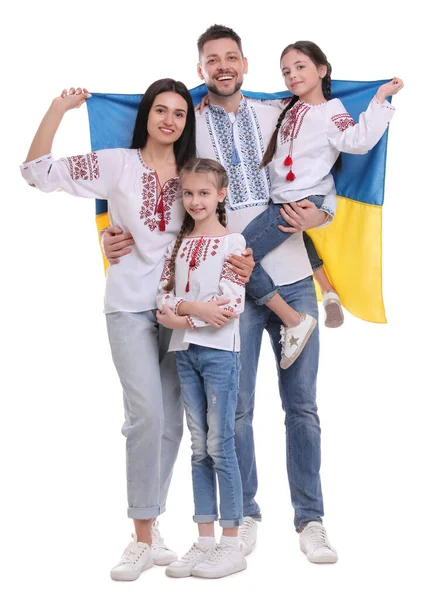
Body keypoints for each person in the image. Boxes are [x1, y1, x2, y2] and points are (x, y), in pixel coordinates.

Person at [102, 25, 340, 563]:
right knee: (234, 412)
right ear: (201, 67)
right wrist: (112, 229)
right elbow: (151, 179)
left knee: (302, 406)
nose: (223, 66)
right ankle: (244, 515)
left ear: (246, 64)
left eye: (232, 57)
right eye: (212, 60)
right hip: (222, 286)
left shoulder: (275, 112)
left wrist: (325, 211)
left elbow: (326, 155)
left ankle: (312, 520)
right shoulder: (187, 124)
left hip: (294, 271)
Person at [21, 79, 197, 581]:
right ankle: (141, 538)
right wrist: (60, 107)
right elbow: (36, 173)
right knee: (144, 415)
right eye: (160, 110)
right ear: (145, 116)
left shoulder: (192, 172)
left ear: (187, 122)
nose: (169, 120)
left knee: (170, 423)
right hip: (128, 306)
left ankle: (153, 522)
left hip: (180, 309)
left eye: (179, 113)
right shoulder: (116, 163)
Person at [241, 41, 403, 368]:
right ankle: (328, 292)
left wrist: (380, 99)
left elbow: (357, 141)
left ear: (322, 70)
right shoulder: (288, 108)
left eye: (300, 66)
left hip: (296, 202)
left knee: (238, 254)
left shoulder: (331, 110)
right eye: (286, 71)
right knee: (298, 246)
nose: (292, 75)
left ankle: (294, 320)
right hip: (285, 200)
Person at [155, 158, 247, 579]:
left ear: (221, 195)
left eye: (204, 193)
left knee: (219, 444)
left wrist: (183, 315)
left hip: (219, 355)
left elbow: (230, 307)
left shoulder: (233, 242)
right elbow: (163, 301)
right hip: (185, 353)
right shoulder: (180, 242)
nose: (195, 201)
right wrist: (192, 312)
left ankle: (232, 544)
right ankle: (204, 539)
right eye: (188, 193)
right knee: (197, 446)